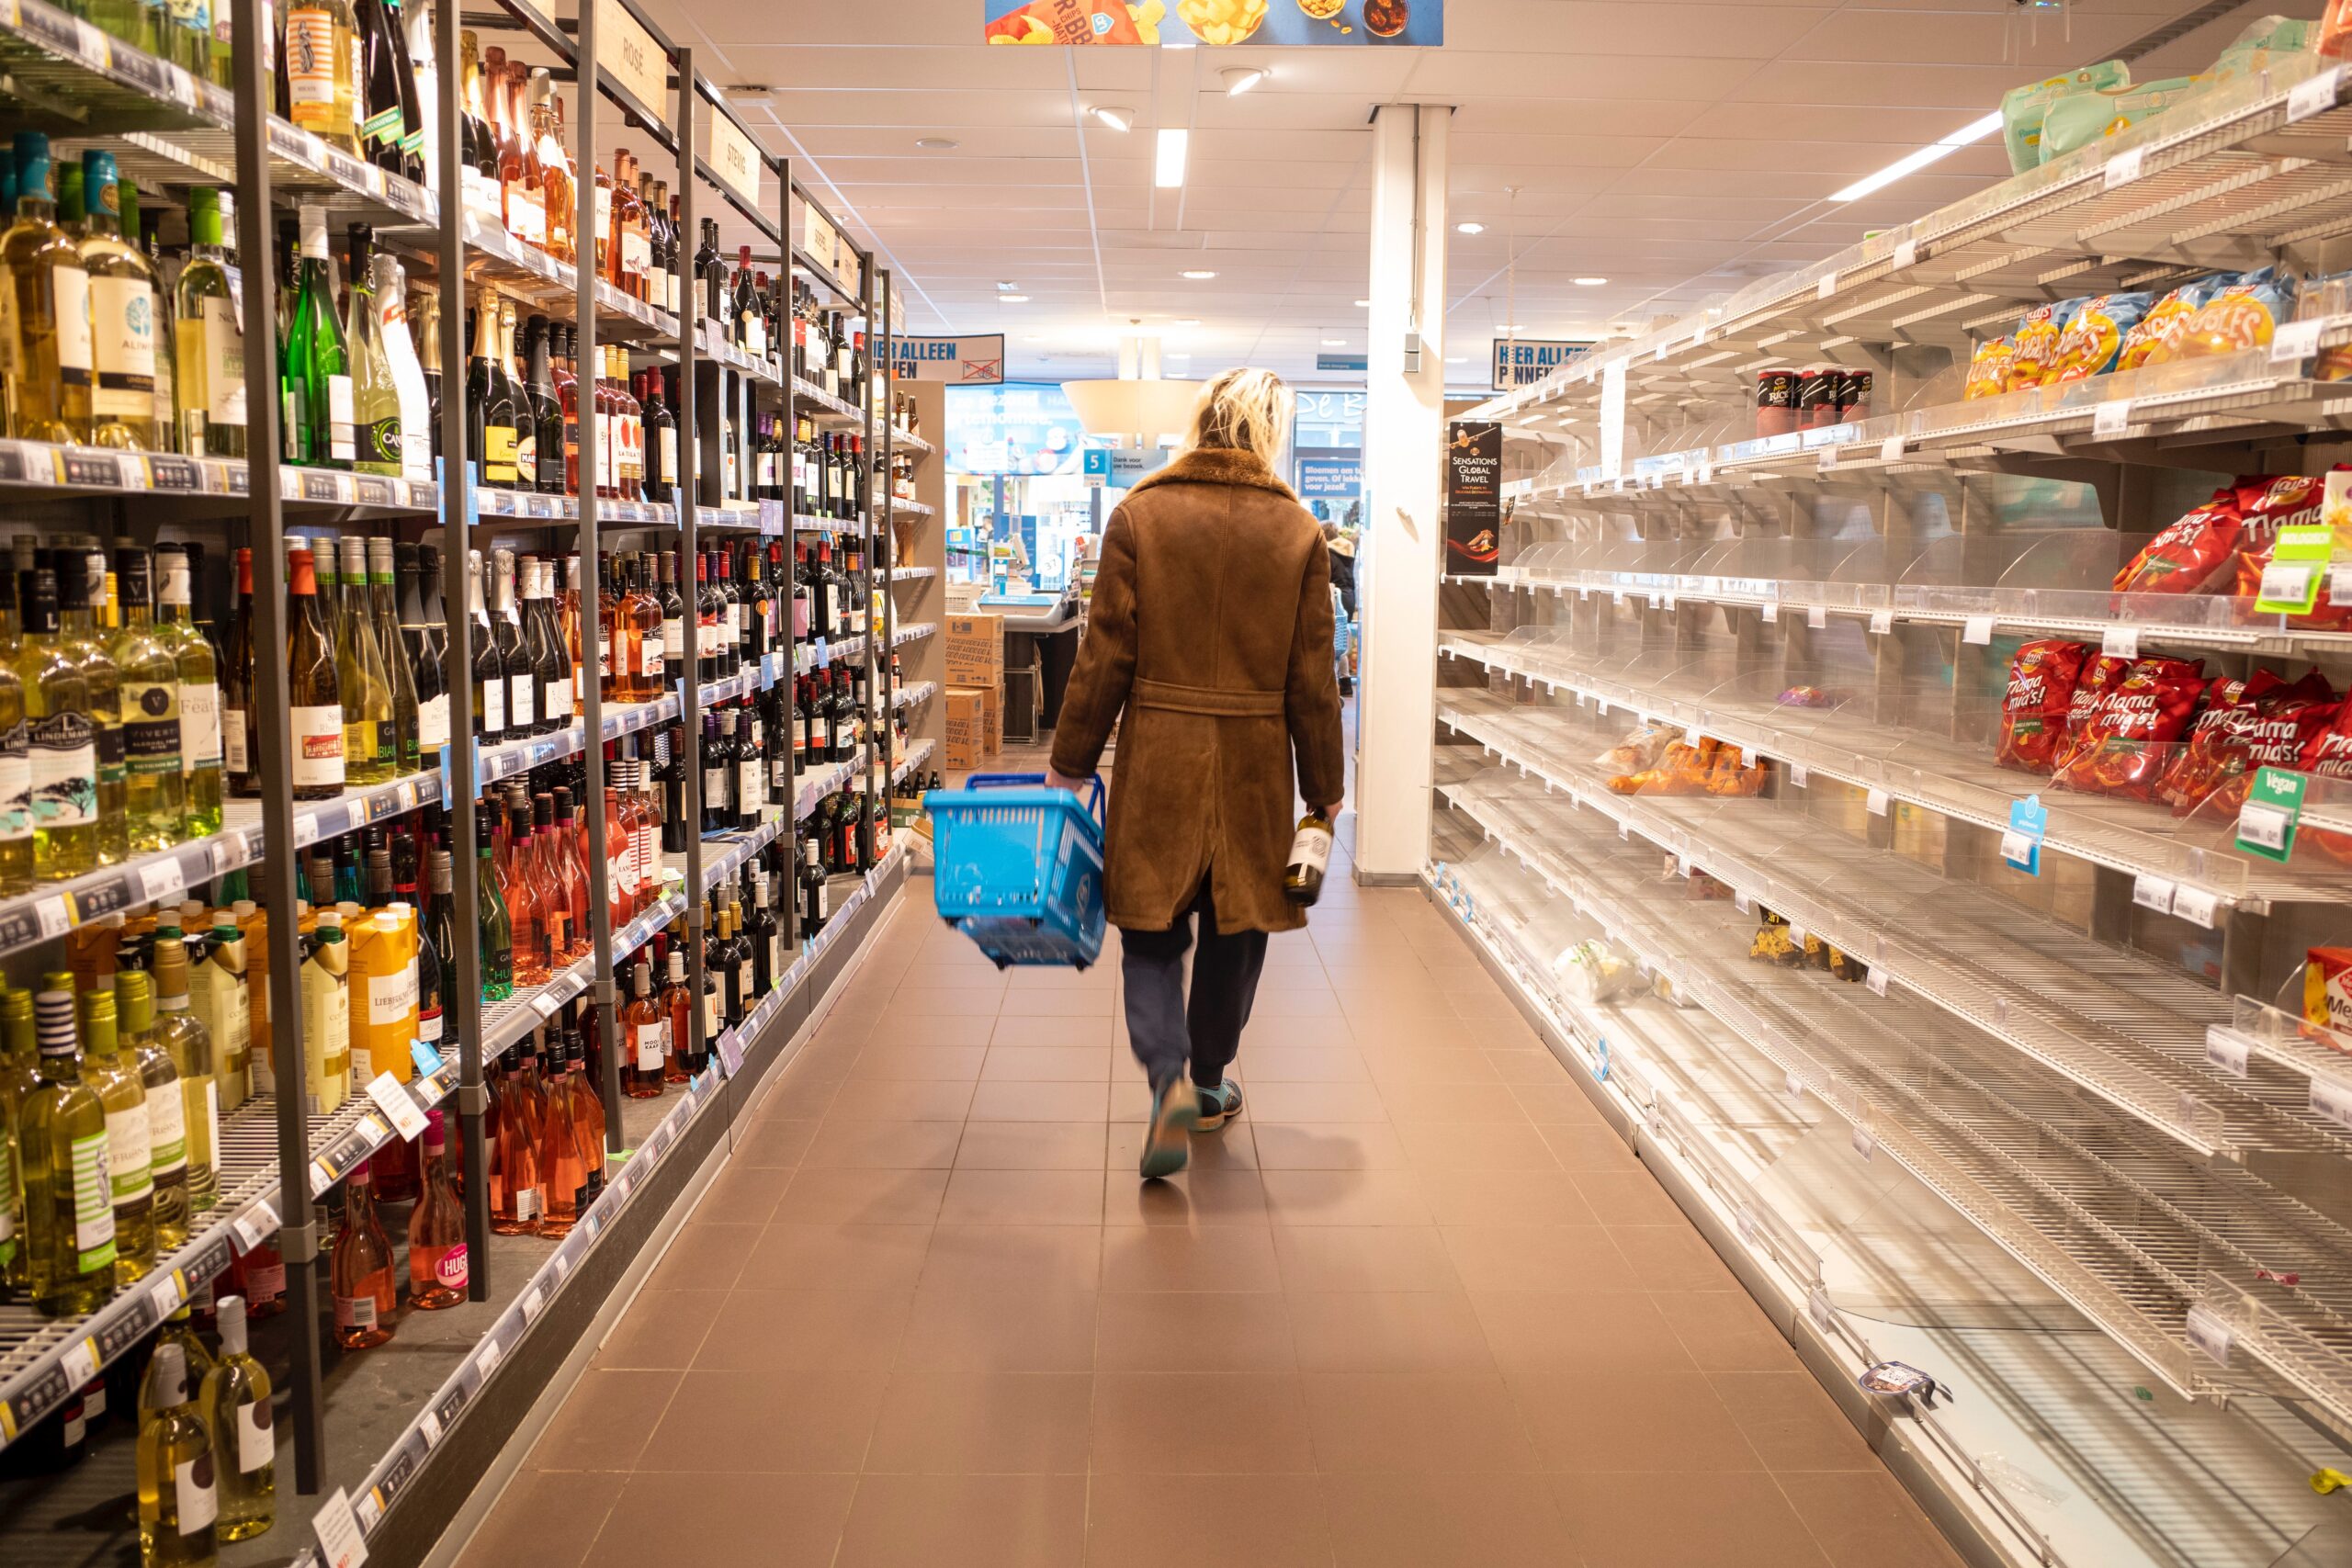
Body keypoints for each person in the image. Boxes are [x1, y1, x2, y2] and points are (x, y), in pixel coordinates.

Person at [1047, 367, 1346, 1179]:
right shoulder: (1298, 533)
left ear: (1201, 422)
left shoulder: (1140, 514)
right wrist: (1324, 785)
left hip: (1162, 756)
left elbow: (1102, 656)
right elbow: (1312, 681)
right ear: (1269, 433)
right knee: (1237, 927)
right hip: (1253, 763)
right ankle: (1210, 1077)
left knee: (1150, 933)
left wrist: (1071, 761)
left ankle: (1169, 1081)